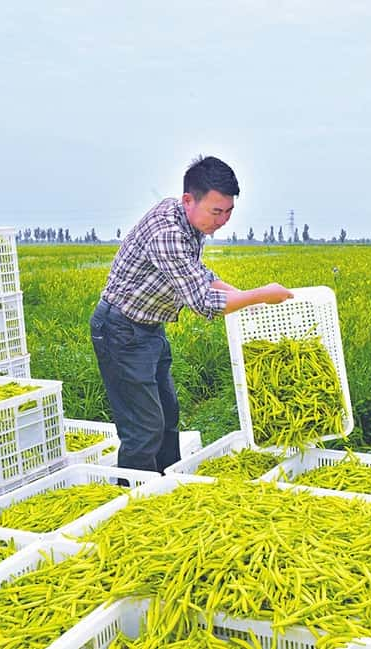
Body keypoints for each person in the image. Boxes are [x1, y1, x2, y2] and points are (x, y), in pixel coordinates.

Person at [90, 156, 294, 474]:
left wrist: (243, 295)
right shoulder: (167, 231)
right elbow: (201, 300)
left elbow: (199, 274)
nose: (223, 220)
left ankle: (168, 485)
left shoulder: (189, 223)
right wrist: (259, 296)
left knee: (168, 416)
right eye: (217, 211)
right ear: (189, 200)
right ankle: (135, 501)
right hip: (121, 331)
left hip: (148, 328)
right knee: (144, 430)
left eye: (228, 212)